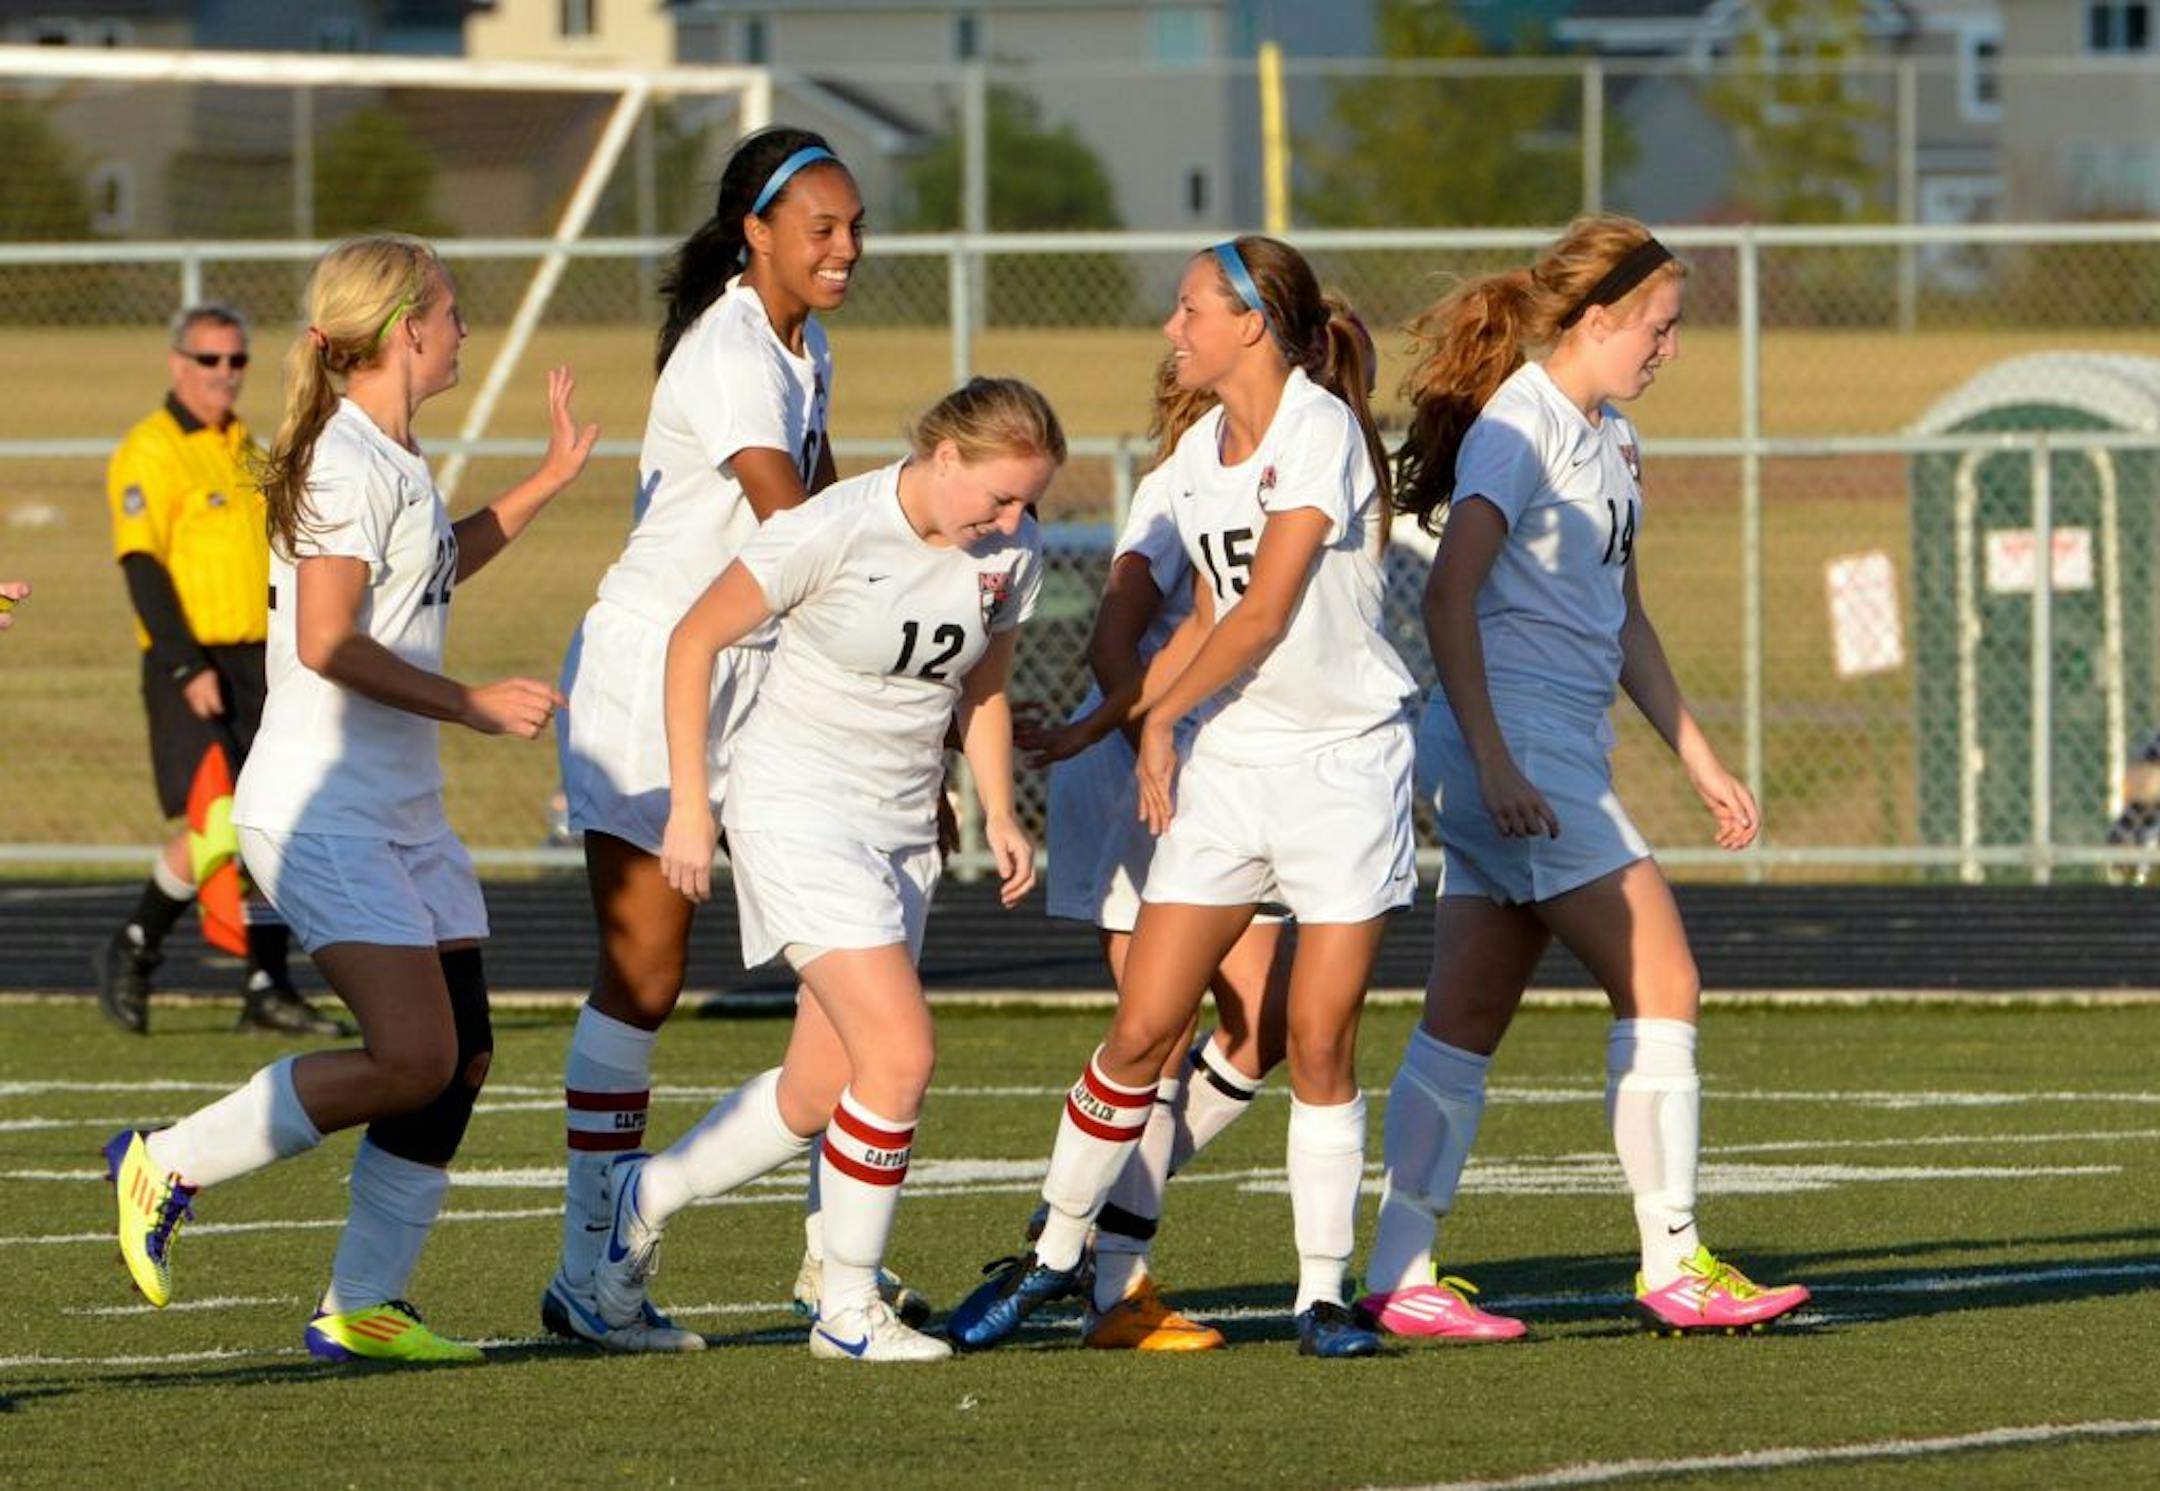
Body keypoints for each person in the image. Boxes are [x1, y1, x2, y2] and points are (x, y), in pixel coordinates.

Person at [103, 232, 598, 1364]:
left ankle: (363, 1305)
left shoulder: (395, 453)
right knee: (412, 1056)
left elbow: (428, 570)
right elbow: (328, 641)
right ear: (406, 328)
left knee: (462, 1052)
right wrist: (469, 702)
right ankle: (167, 1162)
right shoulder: (340, 459)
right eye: (454, 309)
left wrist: (547, 482)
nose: (466, 327)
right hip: (322, 813)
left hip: (401, 815)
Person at [948, 238, 1417, 1360]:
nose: (1173, 326)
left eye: (1191, 306)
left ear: (1252, 321)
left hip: (1345, 770)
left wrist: (1156, 721)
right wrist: (1123, 719)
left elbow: (1267, 610)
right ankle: (1058, 1256)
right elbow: (1209, 619)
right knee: (1143, 1028)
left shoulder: (1321, 430)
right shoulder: (1201, 453)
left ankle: (1322, 1296)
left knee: (1315, 1040)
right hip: (1230, 771)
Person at [1361, 215, 1809, 1340]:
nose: (1669, 349)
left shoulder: (1610, 437)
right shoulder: (1521, 429)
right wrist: (1499, 761)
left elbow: (1625, 616)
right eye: (1656, 328)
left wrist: (1697, 753)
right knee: (1664, 975)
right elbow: (1445, 598)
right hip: (1516, 752)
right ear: (1597, 320)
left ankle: (1399, 1273)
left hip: (1548, 748)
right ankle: (1675, 1261)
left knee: (1465, 1012)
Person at [544, 126, 928, 1353]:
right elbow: (788, 519)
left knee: (849, 980)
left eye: (856, 226)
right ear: (755, 232)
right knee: (648, 979)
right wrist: (917, 551)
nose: (847, 247)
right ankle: (586, 1263)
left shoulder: (804, 346)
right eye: (821, 227)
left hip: (749, 681)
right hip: (660, 678)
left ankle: (833, 1263)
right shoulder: (727, 348)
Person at [586, 377, 1057, 1364]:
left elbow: (984, 686)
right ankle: (845, 1307)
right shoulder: (832, 526)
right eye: (999, 497)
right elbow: (694, 641)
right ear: (944, 458)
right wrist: (686, 801)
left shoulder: (1011, 552)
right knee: (900, 1054)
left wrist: (999, 810)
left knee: (819, 1088)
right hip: (796, 808)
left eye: (1027, 502)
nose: (1013, 520)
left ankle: (646, 1193)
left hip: (899, 830)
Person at [1011, 358, 1296, 1353]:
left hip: (1229, 777)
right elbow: (1111, 650)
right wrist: (1153, 754)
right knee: (1156, 1038)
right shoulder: (1184, 478)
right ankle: (1112, 1290)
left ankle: (1078, 1218)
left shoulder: (1305, 470)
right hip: (1149, 774)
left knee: (1266, 1026)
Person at [95, 304, 343, 1037]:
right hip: (191, 659)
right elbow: (142, 565)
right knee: (220, 821)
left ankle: (266, 983)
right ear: (178, 363)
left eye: (237, 360)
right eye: (210, 360)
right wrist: (181, 665)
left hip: (256, 660)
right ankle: (136, 941)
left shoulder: (244, 448)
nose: (225, 374)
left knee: (265, 818)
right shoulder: (151, 450)